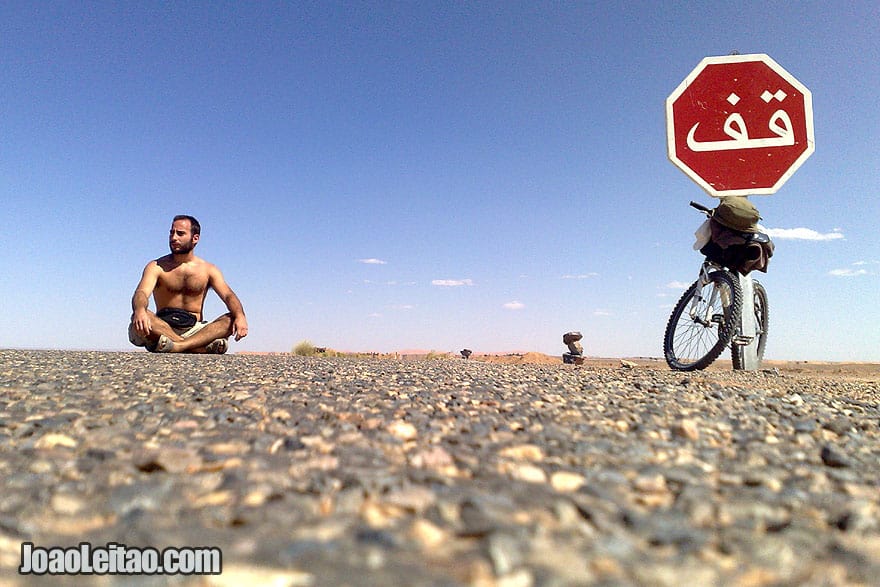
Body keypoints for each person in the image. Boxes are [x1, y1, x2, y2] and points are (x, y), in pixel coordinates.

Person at [128, 215, 248, 353]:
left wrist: (240, 316)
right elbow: (141, 293)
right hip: (162, 327)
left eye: (180, 233)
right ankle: (197, 347)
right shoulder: (156, 266)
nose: (174, 238)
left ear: (195, 238)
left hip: (194, 329)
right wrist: (139, 310)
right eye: (171, 233)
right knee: (143, 315)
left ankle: (178, 346)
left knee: (232, 318)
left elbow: (228, 295)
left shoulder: (208, 270)